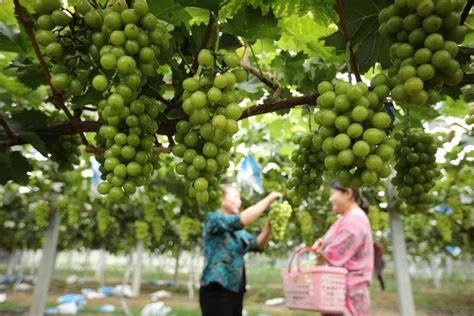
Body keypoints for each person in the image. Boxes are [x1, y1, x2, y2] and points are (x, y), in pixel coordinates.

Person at [199, 185, 282, 316]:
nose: (240, 201)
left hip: (235, 289)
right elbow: (242, 220)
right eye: (235, 197)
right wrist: (268, 200)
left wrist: (269, 226)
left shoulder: (240, 233)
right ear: (222, 199)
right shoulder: (214, 219)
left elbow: (258, 245)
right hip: (217, 289)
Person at [312, 182, 374, 316]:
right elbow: (328, 241)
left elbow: (333, 254)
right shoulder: (346, 218)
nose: (330, 199)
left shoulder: (355, 219)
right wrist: (321, 242)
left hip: (348, 293)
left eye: (333, 194)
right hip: (341, 292)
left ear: (348, 193)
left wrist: (321, 254)